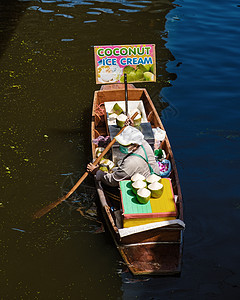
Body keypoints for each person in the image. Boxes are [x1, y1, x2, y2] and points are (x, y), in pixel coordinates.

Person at [87, 125, 160, 187]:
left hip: (145, 185)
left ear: (135, 145)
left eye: (124, 145)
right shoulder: (144, 143)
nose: (121, 146)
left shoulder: (130, 163)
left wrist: (97, 172)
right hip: (155, 174)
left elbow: (113, 180)